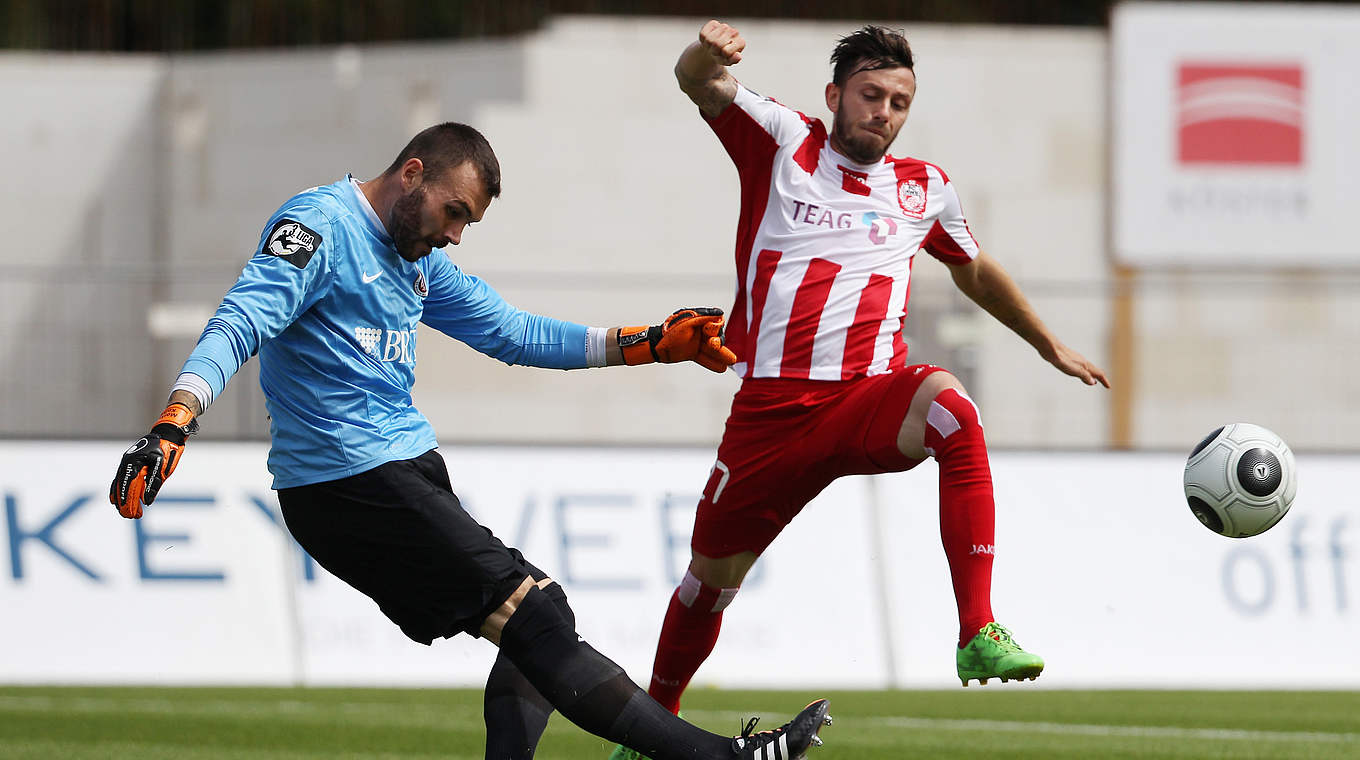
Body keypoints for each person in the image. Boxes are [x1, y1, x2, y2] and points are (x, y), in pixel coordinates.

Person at [108, 122, 833, 760]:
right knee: (538, 615)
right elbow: (243, 319)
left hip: (404, 471)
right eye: (454, 212)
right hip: (347, 483)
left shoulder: (418, 259)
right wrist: (178, 418)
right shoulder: (318, 226)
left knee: (540, 621)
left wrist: (649, 343)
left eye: (467, 224)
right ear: (413, 173)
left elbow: (514, 334)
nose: (454, 234)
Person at [609, 20, 1111, 760]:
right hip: (771, 415)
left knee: (953, 412)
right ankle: (647, 727)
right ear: (834, 95)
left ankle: (978, 630)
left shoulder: (924, 187)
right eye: (871, 94)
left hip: (865, 398)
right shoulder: (783, 140)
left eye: (900, 101)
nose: (884, 111)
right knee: (709, 583)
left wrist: (1047, 343)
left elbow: (972, 268)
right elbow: (697, 82)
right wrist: (704, 52)